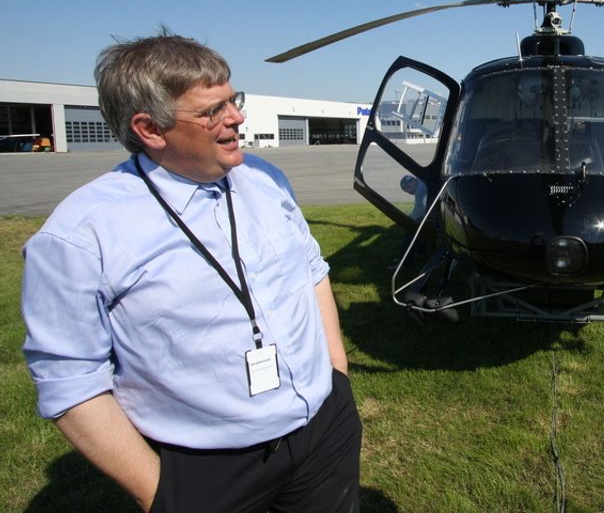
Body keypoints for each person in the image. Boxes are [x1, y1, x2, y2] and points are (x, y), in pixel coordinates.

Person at [21, 30, 362, 512]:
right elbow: (68, 379)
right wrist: (162, 495)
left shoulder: (266, 180)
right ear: (150, 129)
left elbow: (311, 271)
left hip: (324, 431)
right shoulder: (80, 236)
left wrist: (336, 377)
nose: (237, 117)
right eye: (212, 111)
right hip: (207, 468)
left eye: (233, 100)